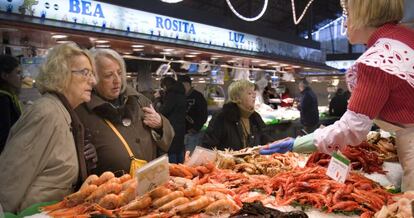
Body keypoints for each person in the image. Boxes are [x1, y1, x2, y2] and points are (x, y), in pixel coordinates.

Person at [261, 0, 414, 191]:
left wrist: (296, 143)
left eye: (347, 14)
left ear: (363, 15)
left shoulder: (379, 60)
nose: (343, 24)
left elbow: (352, 130)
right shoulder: (405, 38)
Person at [0, 43, 97, 213]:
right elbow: (9, 181)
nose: (93, 80)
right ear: (61, 75)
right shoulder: (46, 113)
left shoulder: (64, 112)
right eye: (85, 73)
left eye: (92, 73)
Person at [76, 49, 174, 175]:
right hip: (111, 189)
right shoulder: (81, 111)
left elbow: (169, 137)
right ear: (93, 78)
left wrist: (160, 124)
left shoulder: (139, 100)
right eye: (108, 75)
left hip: (150, 182)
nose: (117, 80)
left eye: (119, 73)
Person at [203, 79, 273, 151]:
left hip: (252, 160)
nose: (254, 96)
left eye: (254, 92)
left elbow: (266, 138)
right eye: (249, 93)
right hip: (228, 161)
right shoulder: (221, 117)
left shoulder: (255, 116)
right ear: (237, 98)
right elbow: (208, 146)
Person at [158, 76, 187, 163]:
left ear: (166, 85)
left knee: (171, 151)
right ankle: (182, 169)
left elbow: (164, 111)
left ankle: (173, 173)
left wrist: (159, 99)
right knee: (179, 150)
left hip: (172, 127)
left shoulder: (171, 95)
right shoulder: (182, 94)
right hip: (181, 127)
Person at [177, 75, 208, 153]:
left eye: (183, 85)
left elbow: (203, 114)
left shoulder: (198, 96)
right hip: (181, 133)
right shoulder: (179, 96)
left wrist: (196, 128)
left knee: (190, 156)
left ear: (188, 84)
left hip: (193, 134)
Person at [0, 55, 22, 153]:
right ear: (5, 76)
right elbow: (5, 137)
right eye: (17, 73)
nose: (21, 77)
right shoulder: (3, 100)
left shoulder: (9, 97)